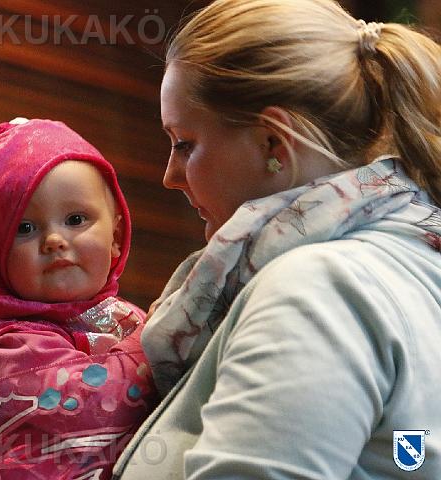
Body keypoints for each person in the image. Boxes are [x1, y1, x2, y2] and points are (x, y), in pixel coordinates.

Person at [112, 0, 441, 478]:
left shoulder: (317, 290)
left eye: (184, 143)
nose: (170, 176)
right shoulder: (412, 260)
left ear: (272, 143)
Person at [0, 117, 156, 480]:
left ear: (117, 237)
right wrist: (155, 344)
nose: (54, 240)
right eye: (25, 228)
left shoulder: (127, 317)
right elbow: (88, 406)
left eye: (76, 219)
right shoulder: (14, 344)